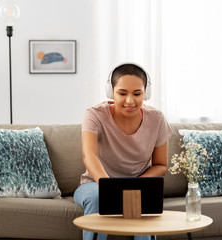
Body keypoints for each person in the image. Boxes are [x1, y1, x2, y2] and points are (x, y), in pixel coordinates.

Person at [74, 63, 173, 240]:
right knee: (97, 197)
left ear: (146, 93)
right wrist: (110, 188)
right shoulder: (94, 115)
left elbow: (161, 164)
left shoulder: (157, 119)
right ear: (111, 91)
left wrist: (135, 187)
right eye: (122, 93)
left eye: (137, 94)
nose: (130, 101)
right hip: (95, 184)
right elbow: (89, 156)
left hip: (139, 184)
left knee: (142, 198)